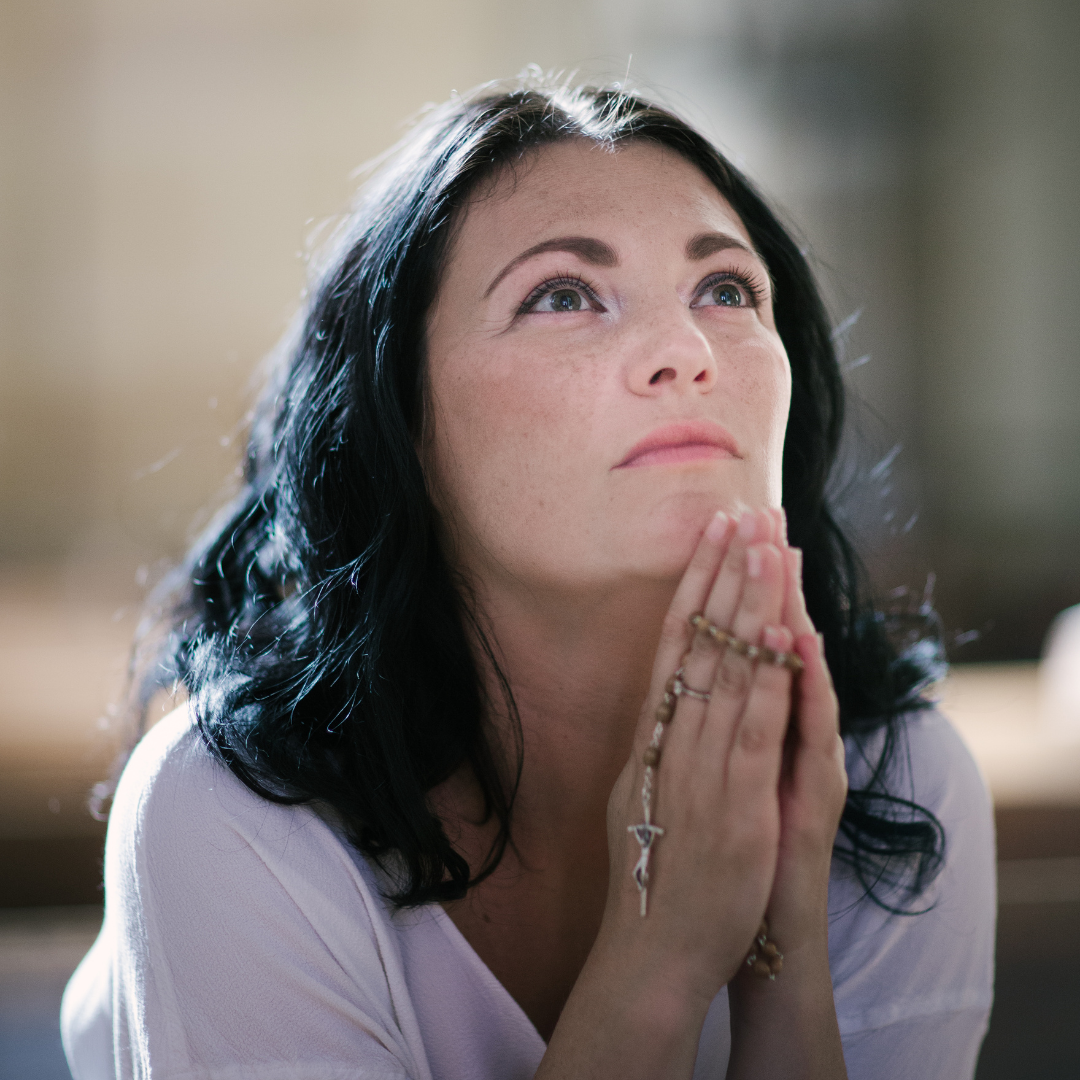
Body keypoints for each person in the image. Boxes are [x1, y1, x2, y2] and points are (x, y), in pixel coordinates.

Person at [61, 79, 995, 1080]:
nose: (685, 351)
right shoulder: (231, 818)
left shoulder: (903, 785)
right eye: (562, 296)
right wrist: (663, 956)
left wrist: (782, 954)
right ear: (397, 420)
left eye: (725, 290)